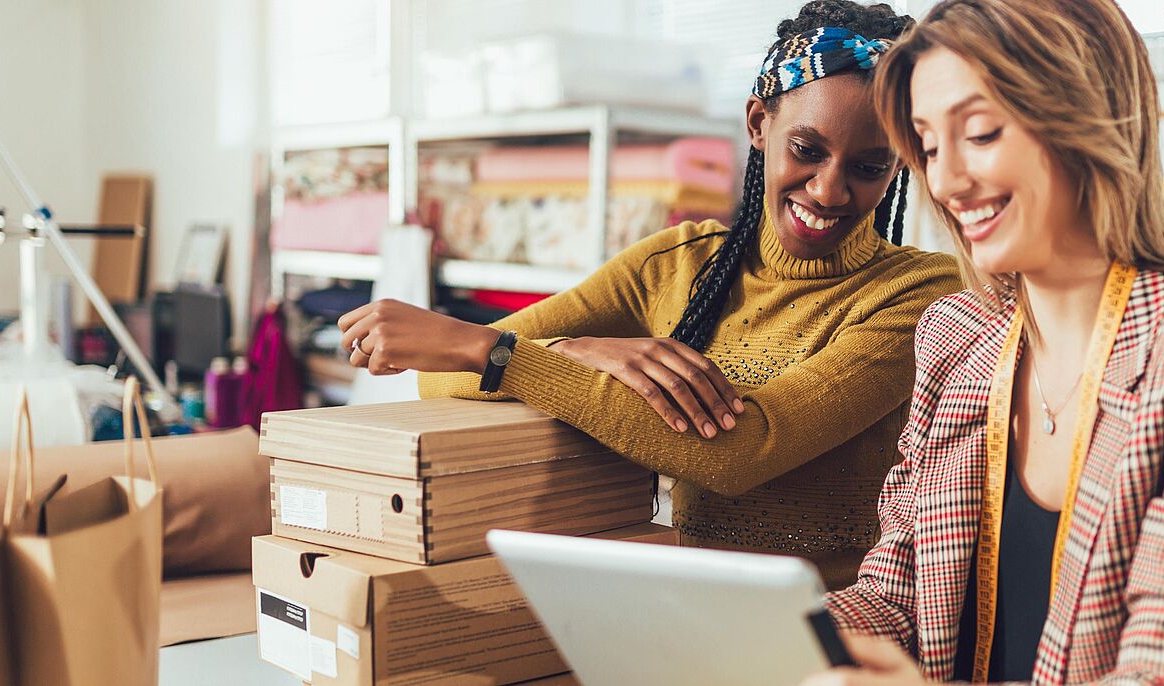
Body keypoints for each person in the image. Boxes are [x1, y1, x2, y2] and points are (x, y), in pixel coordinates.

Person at [335, 0, 962, 590]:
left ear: (899, 165)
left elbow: (745, 449)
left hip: (836, 633)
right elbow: (441, 375)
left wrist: (505, 355)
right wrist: (577, 350)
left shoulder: (919, 295)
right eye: (807, 149)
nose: (829, 191)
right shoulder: (679, 262)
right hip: (675, 607)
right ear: (758, 125)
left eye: (869, 167)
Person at [804, 0, 1164, 683]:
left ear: (1086, 118)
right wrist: (791, 636)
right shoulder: (958, 337)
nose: (947, 181)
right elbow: (898, 599)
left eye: (980, 133)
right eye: (927, 147)